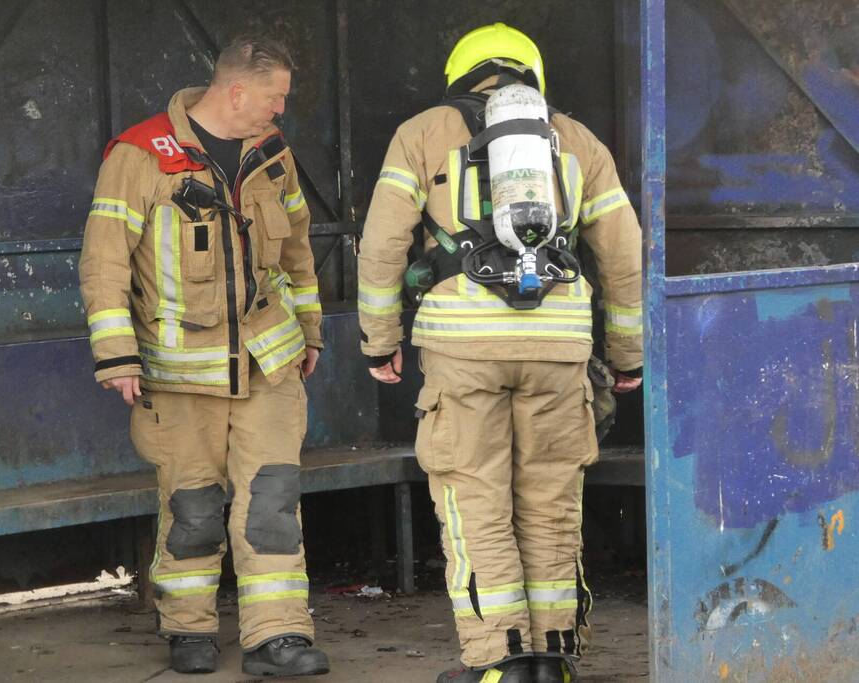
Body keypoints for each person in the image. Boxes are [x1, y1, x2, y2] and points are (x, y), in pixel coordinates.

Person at [357, 23, 643, 683]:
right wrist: (625, 356)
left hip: (462, 347)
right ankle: (552, 660)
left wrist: (380, 341)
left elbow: (380, 245)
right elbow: (621, 255)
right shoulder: (576, 140)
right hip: (557, 348)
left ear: (460, 75)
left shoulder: (422, 131)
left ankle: (497, 661)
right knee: (550, 502)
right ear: (532, 75)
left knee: (474, 499)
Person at [79, 35, 329, 678]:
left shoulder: (272, 153)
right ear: (237, 90)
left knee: (272, 500)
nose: (280, 111)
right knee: (190, 507)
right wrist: (117, 356)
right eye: (274, 97)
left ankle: (277, 635)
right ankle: (188, 629)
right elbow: (104, 261)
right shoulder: (140, 155)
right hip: (177, 371)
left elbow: (298, 250)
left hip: (268, 363)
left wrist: (311, 332)